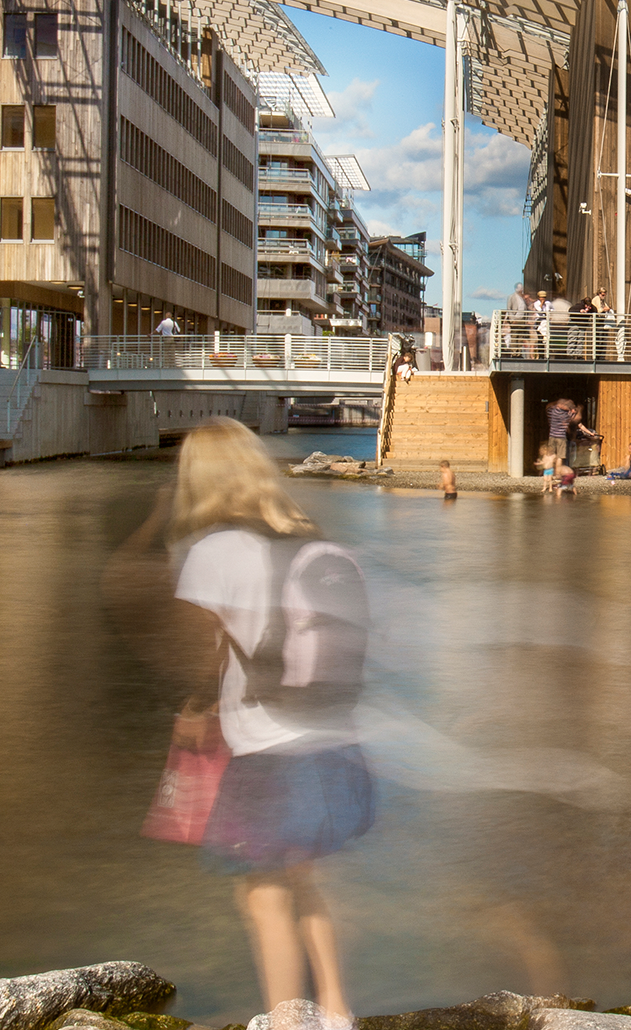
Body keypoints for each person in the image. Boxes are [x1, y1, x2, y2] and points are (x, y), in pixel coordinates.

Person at [170, 420, 373, 1022]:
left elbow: (202, 659)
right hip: (335, 737)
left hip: (267, 748)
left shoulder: (213, 552)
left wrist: (193, 713)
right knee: (305, 881)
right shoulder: (306, 537)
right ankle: (336, 1013)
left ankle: (286, 1019)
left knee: (262, 893)